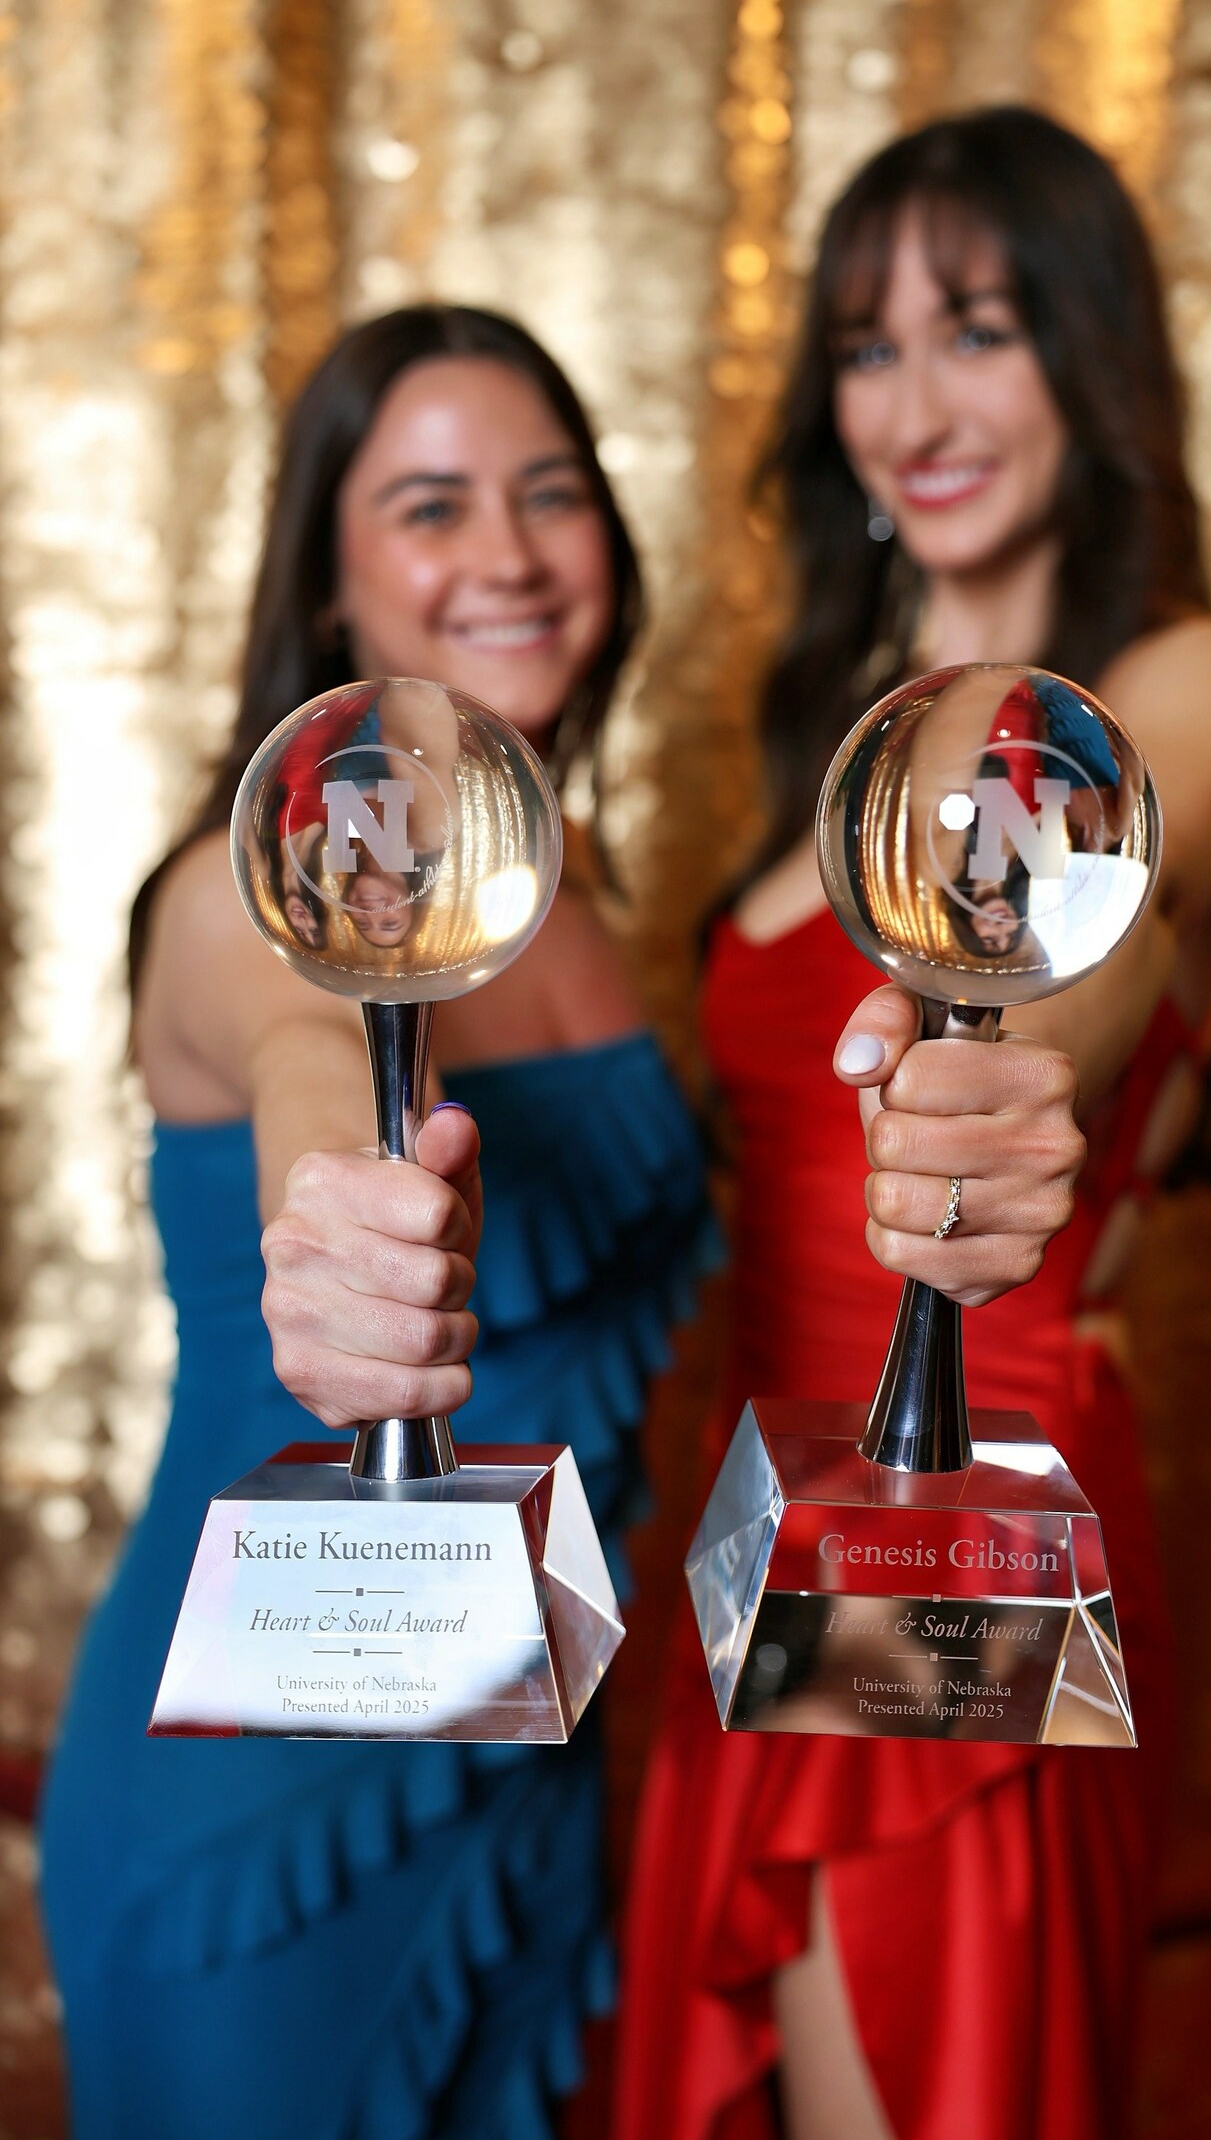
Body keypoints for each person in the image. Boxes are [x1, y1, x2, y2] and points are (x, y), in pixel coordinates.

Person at [608, 108, 1211, 2140]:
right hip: (763, 1520)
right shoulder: (832, 720)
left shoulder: (1190, 683)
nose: (914, 405)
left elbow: (1133, 869)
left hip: (976, 1521)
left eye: (978, 328)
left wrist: (1011, 1055)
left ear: (1092, 354)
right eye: (868, 347)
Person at [38, 303, 721, 2140]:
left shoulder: (581, 895)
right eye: (431, 507)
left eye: (550, 494)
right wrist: (345, 1219)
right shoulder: (227, 897)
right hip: (263, 1788)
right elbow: (313, 1053)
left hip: (528, 1744)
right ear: (331, 589)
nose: (509, 553)